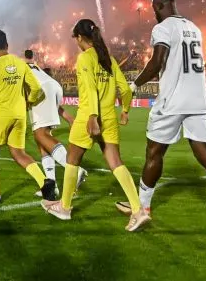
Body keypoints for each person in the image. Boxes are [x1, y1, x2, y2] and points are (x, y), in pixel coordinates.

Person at [116, 0, 206, 231]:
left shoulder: (163, 28)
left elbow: (157, 61)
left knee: (154, 152)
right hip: (197, 100)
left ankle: (142, 207)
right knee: (205, 153)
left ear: (159, 5)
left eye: (155, 8)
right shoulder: (194, 28)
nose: (154, 13)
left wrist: (133, 85)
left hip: (173, 100)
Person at [42, 20, 140, 229]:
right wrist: (125, 110)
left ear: (79, 37)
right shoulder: (109, 59)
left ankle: (65, 208)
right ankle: (138, 210)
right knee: (115, 162)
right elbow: (126, 89)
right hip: (110, 118)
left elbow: (90, 88)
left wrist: (92, 117)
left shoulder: (85, 58)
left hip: (89, 116)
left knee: (72, 160)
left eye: (75, 38)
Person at [0, 29, 56, 204]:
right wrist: (29, 100)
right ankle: (44, 182)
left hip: (1, 114)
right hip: (19, 115)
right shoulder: (21, 63)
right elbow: (36, 88)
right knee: (18, 152)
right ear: (6, 45)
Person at [25, 50, 82, 198]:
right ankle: (52, 186)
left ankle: (75, 171)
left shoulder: (11, 69)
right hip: (53, 86)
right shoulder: (31, 66)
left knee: (40, 134)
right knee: (42, 142)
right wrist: (68, 117)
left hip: (41, 90)